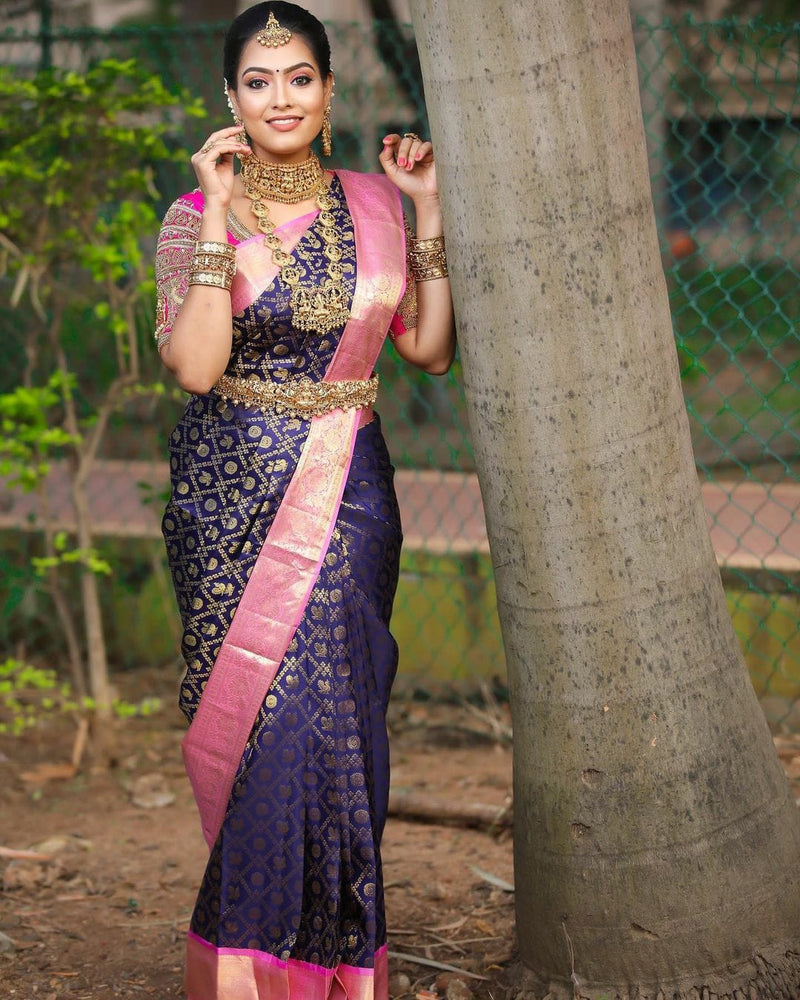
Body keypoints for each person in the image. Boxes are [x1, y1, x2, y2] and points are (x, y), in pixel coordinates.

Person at [153, 3, 455, 997]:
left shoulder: (374, 204)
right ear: (230, 98)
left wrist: (429, 216)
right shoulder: (197, 217)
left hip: (348, 492)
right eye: (256, 80)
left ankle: (323, 961)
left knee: (331, 723)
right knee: (255, 734)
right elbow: (197, 367)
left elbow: (425, 347)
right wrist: (211, 206)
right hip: (227, 493)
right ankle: (244, 967)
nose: (278, 98)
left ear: (326, 91)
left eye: (297, 78)